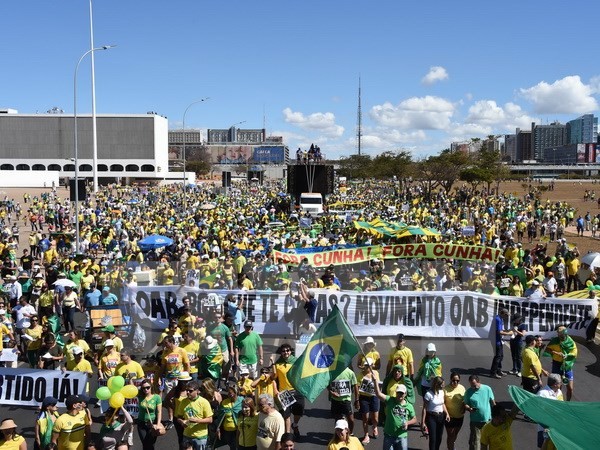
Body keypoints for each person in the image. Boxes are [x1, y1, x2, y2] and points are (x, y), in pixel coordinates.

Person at [373, 380, 417, 450]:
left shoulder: (409, 406)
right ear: (396, 393)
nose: (400, 395)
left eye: (401, 393)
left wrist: (407, 423)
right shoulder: (390, 400)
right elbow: (378, 394)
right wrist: (375, 381)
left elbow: (414, 419)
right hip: (389, 436)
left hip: (402, 436)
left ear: (405, 394)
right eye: (398, 393)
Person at [272, 343, 304, 436]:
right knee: (286, 415)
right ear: (281, 353)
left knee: (299, 411)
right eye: (283, 351)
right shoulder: (278, 364)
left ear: (290, 351)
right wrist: (275, 390)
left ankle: (295, 425)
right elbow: (274, 379)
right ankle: (288, 435)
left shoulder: (296, 362)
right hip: (284, 393)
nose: (286, 352)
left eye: (287, 350)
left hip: (297, 390)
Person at [543, 325, 578, 401]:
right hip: (556, 364)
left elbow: (574, 352)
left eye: (560, 333)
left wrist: (566, 355)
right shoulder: (554, 341)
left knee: (570, 388)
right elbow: (548, 349)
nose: (558, 335)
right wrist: (555, 353)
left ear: (564, 333)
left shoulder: (570, 341)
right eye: (558, 333)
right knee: (557, 386)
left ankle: (567, 403)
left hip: (567, 365)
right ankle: (558, 402)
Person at [178, 380, 213, 450]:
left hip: (200, 436)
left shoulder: (204, 402)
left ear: (197, 391)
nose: (187, 392)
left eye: (190, 391)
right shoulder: (183, 402)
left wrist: (197, 420)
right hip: (187, 435)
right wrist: (182, 422)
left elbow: (210, 420)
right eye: (187, 390)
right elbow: (179, 417)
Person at [463, 375, 495, 450]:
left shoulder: (487, 389)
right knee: (475, 442)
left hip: (487, 420)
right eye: (471, 385)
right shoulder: (469, 391)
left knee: (487, 441)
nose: (473, 387)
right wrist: (469, 409)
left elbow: (493, 402)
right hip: (475, 421)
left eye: (474, 385)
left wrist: (496, 414)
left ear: (478, 382)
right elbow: (465, 404)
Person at [329, 365, 359, 434]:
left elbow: (355, 386)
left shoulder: (350, 372)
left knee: (351, 419)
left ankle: (350, 434)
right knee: (337, 420)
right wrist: (331, 392)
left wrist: (357, 400)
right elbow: (327, 384)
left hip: (346, 400)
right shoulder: (333, 372)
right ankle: (338, 436)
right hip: (335, 400)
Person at [421, 376, 450, 450]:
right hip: (431, 417)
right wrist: (423, 422)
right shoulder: (428, 394)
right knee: (433, 439)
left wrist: (447, 413)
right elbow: (424, 408)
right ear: (436, 384)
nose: (443, 386)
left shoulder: (441, 392)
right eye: (441, 384)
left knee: (439, 438)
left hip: (441, 417)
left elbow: (442, 404)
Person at [537, 374, 563, 449]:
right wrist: (546, 426)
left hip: (557, 427)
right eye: (560, 382)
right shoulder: (542, 394)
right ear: (555, 384)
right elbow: (539, 413)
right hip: (545, 428)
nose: (561, 384)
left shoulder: (559, 392)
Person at [216, 383, 244, 450]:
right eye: (228, 392)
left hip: (238, 430)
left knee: (236, 446)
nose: (229, 394)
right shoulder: (224, 402)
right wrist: (218, 428)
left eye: (231, 393)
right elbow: (220, 416)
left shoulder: (242, 401)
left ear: (236, 392)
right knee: (230, 445)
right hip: (227, 430)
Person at [137, 379, 162, 450]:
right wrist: (130, 379)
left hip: (152, 424)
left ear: (151, 387)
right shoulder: (140, 396)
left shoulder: (157, 397)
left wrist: (158, 424)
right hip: (141, 423)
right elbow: (132, 388)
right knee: (145, 444)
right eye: (143, 388)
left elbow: (159, 411)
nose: (146, 389)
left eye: (148, 387)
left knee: (151, 444)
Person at [444, 371, 466, 450]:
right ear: (450, 379)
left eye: (457, 381)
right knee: (450, 435)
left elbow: (465, 400)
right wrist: (446, 413)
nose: (455, 382)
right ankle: (451, 448)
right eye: (453, 380)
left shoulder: (462, 388)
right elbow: (442, 403)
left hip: (460, 416)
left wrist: (464, 407)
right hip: (450, 417)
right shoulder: (445, 389)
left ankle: (451, 446)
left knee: (455, 434)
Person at [490, 308, 512, 379]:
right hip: (496, 340)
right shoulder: (498, 319)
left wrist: (506, 331)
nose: (507, 316)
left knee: (501, 356)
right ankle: (493, 373)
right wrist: (508, 333)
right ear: (503, 314)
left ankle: (499, 370)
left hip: (499, 339)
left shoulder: (500, 318)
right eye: (506, 315)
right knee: (498, 356)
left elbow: (501, 330)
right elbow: (499, 332)